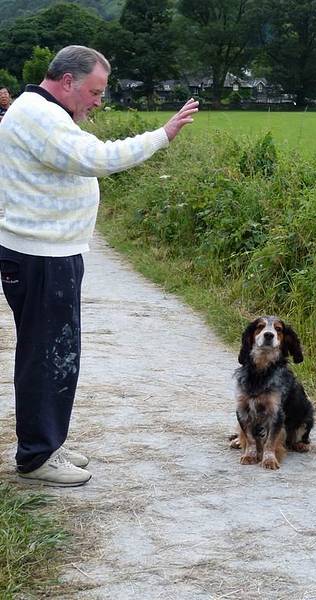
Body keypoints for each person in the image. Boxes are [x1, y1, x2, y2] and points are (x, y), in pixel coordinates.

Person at [0, 45, 198, 487]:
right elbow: (98, 159)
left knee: (54, 353)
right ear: (67, 81)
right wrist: (162, 135)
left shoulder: (42, 112)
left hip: (48, 252)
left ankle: (47, 442)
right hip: (42, 256)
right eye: (95, 92)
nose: (98, 101)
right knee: (48, 357)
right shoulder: (39, 116)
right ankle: (37, 455)